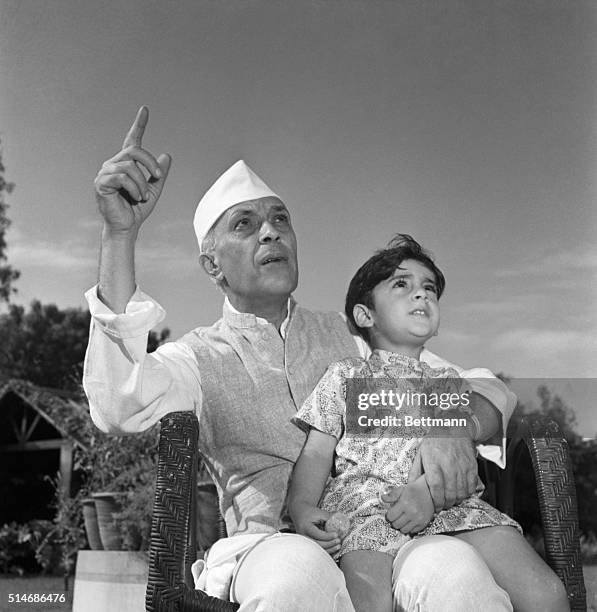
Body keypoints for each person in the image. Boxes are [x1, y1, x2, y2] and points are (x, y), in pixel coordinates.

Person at [85, 106, 519, 611]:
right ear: (212, 266)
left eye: (280, 220)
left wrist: (449, 425)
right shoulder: (198, 359)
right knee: (296, 578)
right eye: (244, 225)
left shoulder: (353, 338)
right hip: (268, 548)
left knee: (457, 574)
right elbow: (119, 403)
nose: (270, 232)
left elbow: (485, 387)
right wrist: (120, 237)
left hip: (388, 538)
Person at [288, 235, 569, 612]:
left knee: (547, 594)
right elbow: (317, 451)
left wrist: (426, 492)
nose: (421, 295)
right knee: (368, 601)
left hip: (449, 504)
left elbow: (460, 460)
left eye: (429, 289)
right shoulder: (343, 375)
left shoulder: (450, 382)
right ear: (364, 315)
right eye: (402, 285)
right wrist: (302, 507)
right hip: (369, 510)